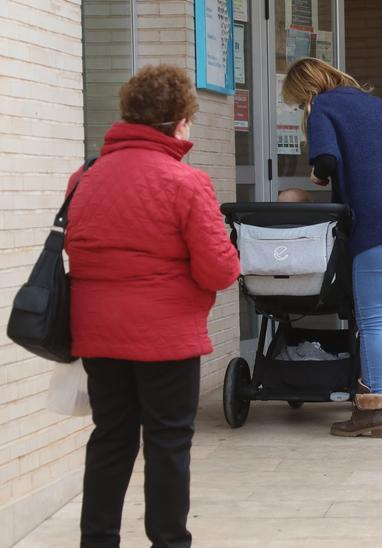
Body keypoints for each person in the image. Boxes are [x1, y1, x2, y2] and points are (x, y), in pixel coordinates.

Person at [66, 64, 240, 547]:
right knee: (166, 442)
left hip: (98, 332)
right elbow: (219, 271)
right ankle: (168, 541)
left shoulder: (85, 176)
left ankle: (96, 540)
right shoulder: (186, 182)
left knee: (110, 438)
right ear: (179, 121)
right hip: (166, 337)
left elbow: (76, 247)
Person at [282, 57, 382, 438]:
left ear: (306, 90)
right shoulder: (376, 103)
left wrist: (317, 174)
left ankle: (371, 410)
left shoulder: (323, 105)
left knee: (370, 321)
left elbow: (327, 159)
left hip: (378, 222)